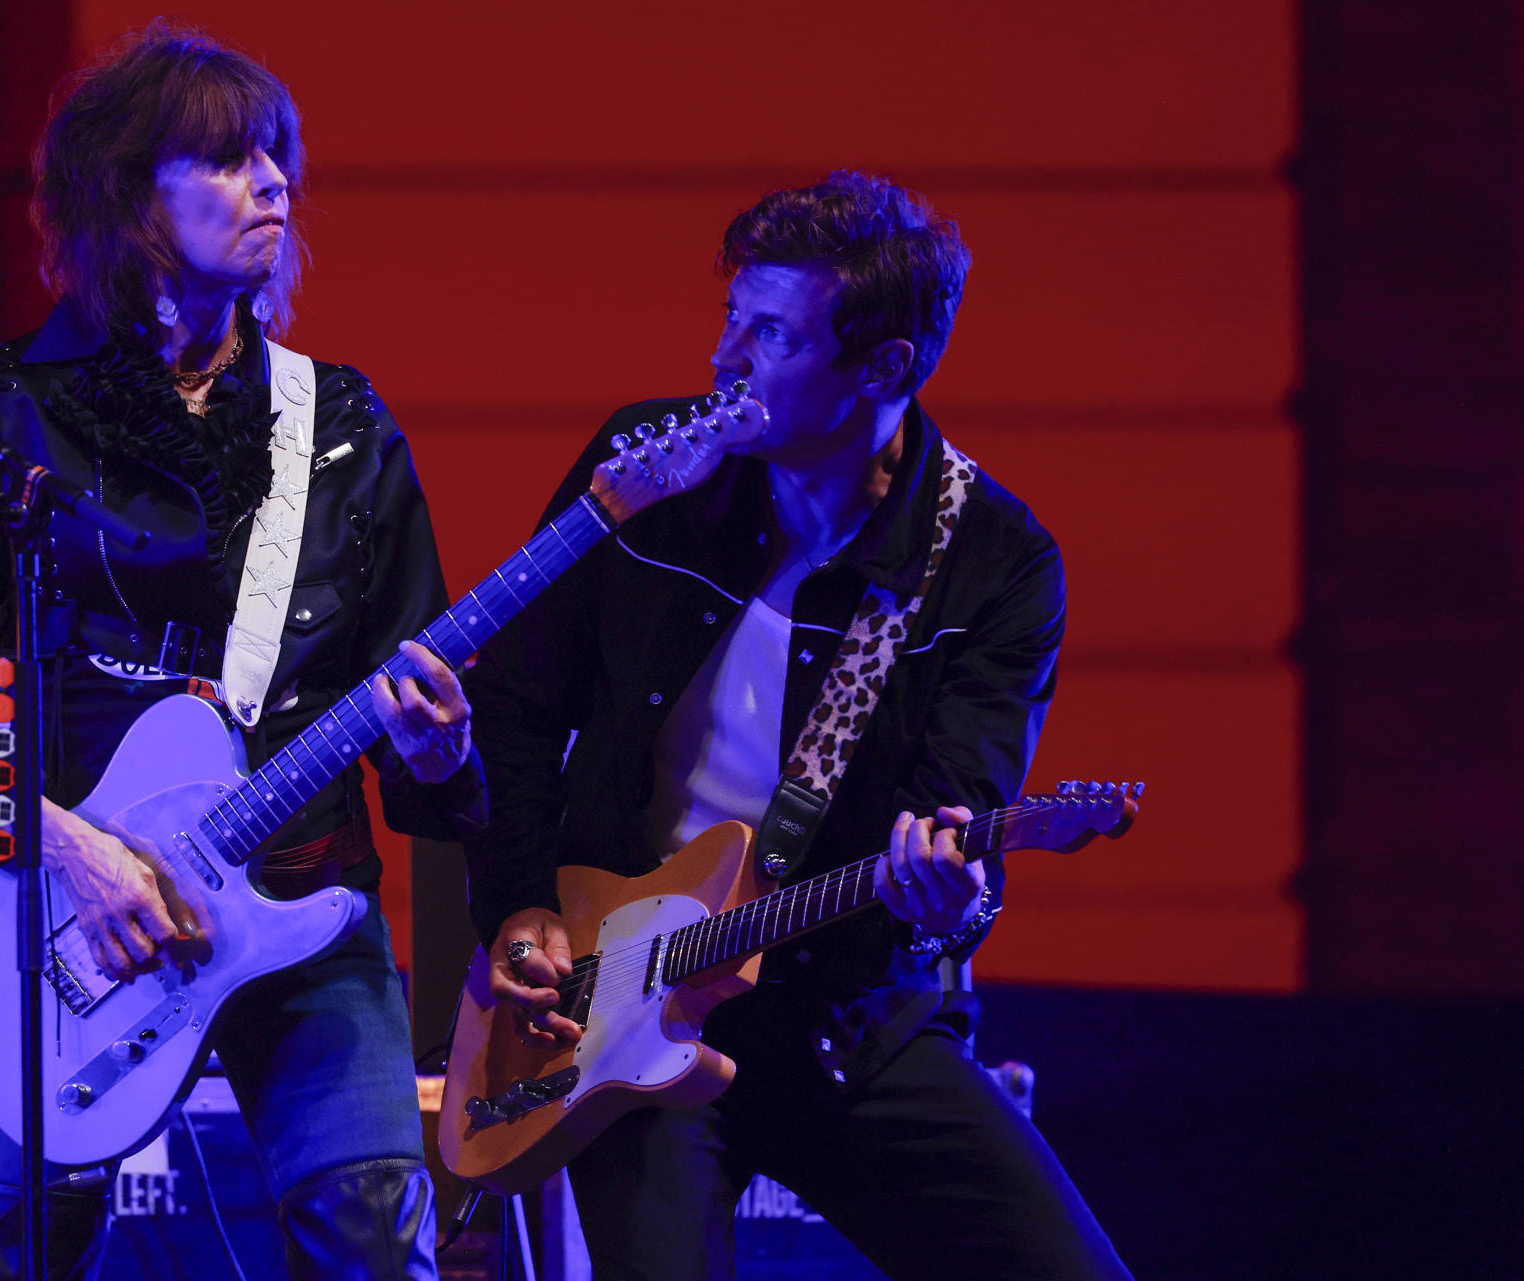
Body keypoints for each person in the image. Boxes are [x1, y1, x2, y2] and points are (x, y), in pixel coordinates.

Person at [0, 27, 480, 1281]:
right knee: (14, 1241)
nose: (275, 185)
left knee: (374, 1225)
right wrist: (68, 849)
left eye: (278, 158)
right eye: (227, 159)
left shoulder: (344, 427)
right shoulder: (10, 411)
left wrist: (443, 746)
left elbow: (424, 773)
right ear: (129, 196)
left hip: (302, 902)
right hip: (64, 918)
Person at [461, 171, 1131, 1279]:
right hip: (627, 1004)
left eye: (769, 335)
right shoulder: (652, 470)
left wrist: (944, 901)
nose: (726, 359)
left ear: (884, 370)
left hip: (844, 1026)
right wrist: (523, 909)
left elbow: (954, 821)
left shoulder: (997, 562)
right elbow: (513, 712)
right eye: (734, 318)